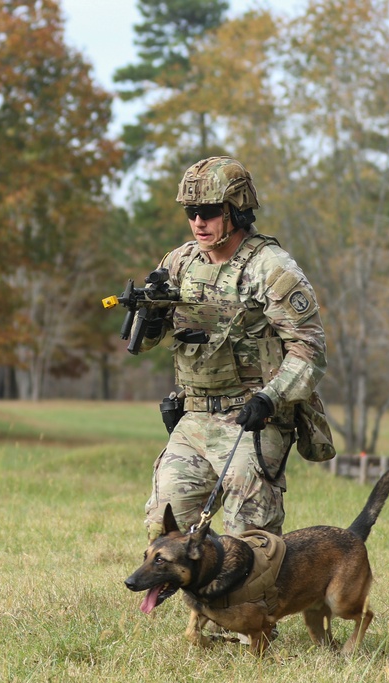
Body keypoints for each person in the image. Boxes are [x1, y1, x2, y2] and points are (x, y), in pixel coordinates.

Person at [139, 156, 331, 542]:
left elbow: (310, 350)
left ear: (236, 211)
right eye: (192, 212)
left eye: (209, 211)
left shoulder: (271, 268)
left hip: (252, 419)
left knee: (251, 539)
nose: (198, 222)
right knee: (165, 527)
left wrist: (269, 399)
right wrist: (152, 314)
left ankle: (252, 601)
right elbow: (143, 344)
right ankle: (205, 599)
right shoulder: (180, 262)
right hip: (194, 418)